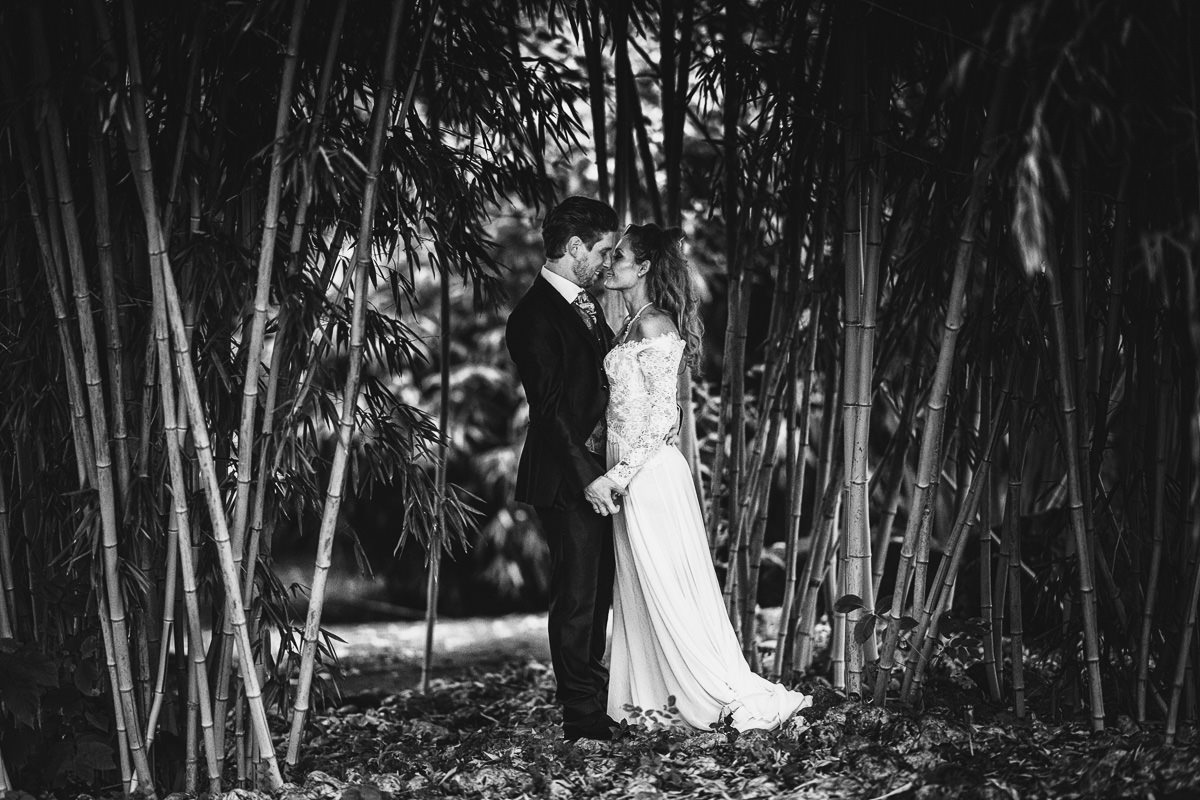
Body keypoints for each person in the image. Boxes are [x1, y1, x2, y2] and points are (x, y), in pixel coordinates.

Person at [588, 222, 812, 732]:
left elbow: (664, 418)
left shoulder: (655, 325)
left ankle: (711, 694)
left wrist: (620, 473)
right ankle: (650, 700)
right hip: (627, 467)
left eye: (618, 255)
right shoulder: (628, 324)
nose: (609, 263)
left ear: (642, 267)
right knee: (640, 587)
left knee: (666, 583)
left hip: (646, 475)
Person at [505, 196, 620, 742]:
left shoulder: (589, 305)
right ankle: (582, 720)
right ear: (573, 247)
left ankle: (597, 706)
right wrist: (588, 477)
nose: (606, 260)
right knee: (575, 599)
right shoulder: (531, 317)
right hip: (567, 478)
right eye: (601, 250)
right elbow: (548, 409)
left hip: (604, 472)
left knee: (599, 595)